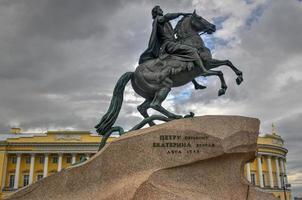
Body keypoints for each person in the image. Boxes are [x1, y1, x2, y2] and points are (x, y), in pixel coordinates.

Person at [139, 5, 209, 75]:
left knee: (185, 50)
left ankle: (194, 80)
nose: (162, 11)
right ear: (156, 12)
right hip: (168, 44)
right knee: (192, 50)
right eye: (160, 10)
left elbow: (170, 32)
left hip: (171, 43)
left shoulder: (164, 22)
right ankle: (204, 71)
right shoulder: (158, 19)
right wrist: (180, 13)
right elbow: (167, 16)